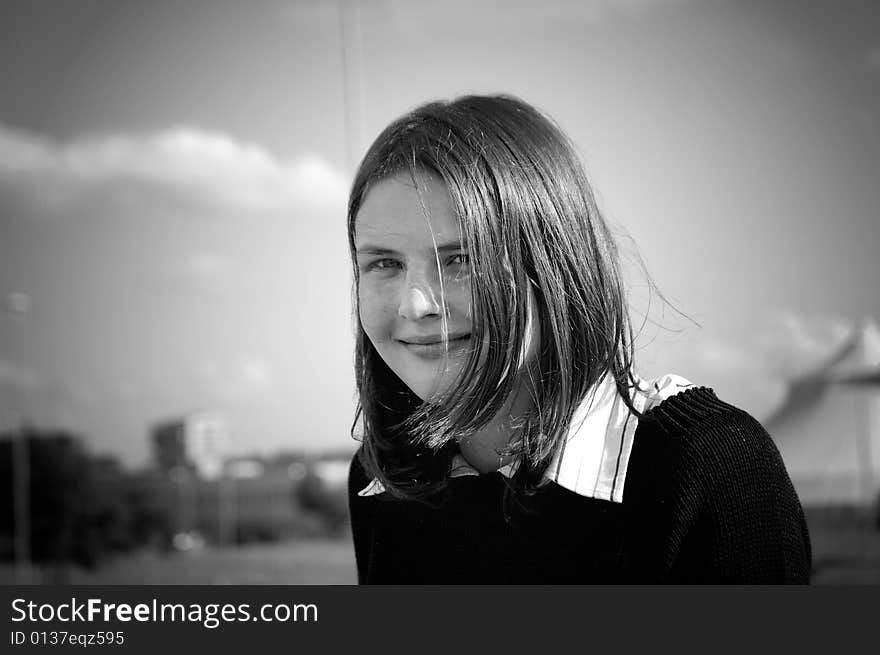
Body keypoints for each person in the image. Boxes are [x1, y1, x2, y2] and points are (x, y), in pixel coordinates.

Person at [345, 94, 811, 584]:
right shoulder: (382, 482)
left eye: (460, 259)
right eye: (384, 263)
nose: (415, 305)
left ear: (555, 263)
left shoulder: (713, 469)